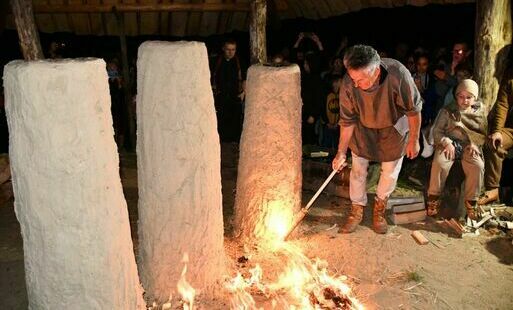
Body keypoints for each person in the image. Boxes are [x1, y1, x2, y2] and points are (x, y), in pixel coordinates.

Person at [332, 45, 422, 234]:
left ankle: (379, 209)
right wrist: (341, 152)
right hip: (363, 127)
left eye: (362, 79)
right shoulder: (349, 83)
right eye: (353, 79)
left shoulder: (398, 75)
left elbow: (413, 111)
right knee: (357, 170)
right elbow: (347, 121)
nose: (356, 84)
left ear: (376, 71)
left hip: (393, 127)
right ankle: (356, 209)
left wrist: (414, 139)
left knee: (389, 172)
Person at [426, 79, 487, 219]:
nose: (464, 100)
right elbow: (437, 131)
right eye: (461, 96)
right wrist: (446, 142)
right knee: (439, 164)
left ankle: (471, 201)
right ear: (456, 96)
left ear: (475, 98)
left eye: (469, 97)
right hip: (449, 143)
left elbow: (482, 133)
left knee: (477, 165)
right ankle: (434, 198)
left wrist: (475, 143)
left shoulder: (480, 111)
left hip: (468, 144)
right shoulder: (448, 110)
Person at [478, 67, 513, 205]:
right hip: (511, 129)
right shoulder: (510, 75)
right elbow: (502, 104)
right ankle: (493, 190)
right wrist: (497, 131)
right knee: (494, 143)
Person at [211, 39, 246, 142]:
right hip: (220, 96)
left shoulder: (240, 62)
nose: (231, 52)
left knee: (235, 119)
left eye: (233, 50)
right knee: (221, 119)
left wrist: (243, 92)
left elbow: (245, 78)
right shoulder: (216, 61)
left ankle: (234, 140)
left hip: (235, 96)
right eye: (228, 49)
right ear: (223, 49)